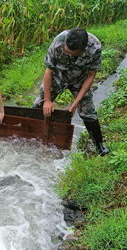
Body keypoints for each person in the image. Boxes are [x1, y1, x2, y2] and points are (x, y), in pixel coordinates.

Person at [33, 27, 109, 156]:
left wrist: (76, 102)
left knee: (88, 112)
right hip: (58, 76)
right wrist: (47, 100)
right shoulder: (59, 42)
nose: (69, 55)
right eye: (67, 52)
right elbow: (49, 71)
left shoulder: (95, 47)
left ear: (85, 46)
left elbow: (91, 75)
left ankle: (99, 146)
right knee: (38, 106)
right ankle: (33, 138)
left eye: (74, 54)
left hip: (80, 79)